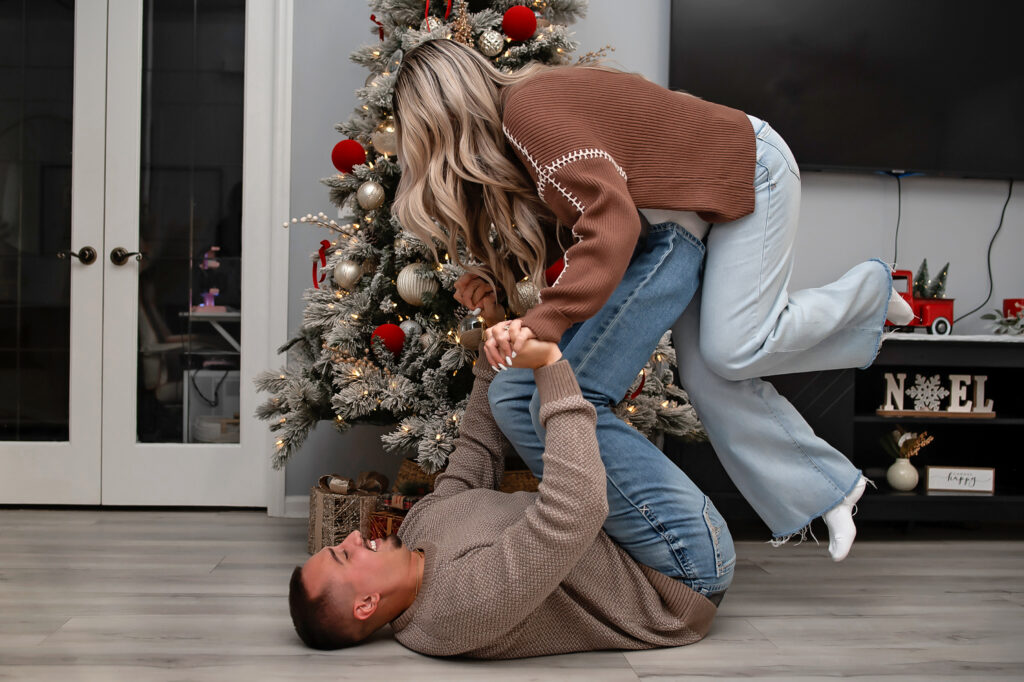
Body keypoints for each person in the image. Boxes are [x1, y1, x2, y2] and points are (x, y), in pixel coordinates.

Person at [393, 39, 914, 561]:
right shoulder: (522, 136)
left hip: (746, 168)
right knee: (711, 375)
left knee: (734, 350)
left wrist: (545, 324)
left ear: (444, 121)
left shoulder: (530, 112)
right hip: (684, 216)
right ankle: (831, 489)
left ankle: (869, 292)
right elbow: (577, 224)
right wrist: (492, 277)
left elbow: (609, 220)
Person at [289, 332, 730, 655]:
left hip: (624, 537)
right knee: (558, 390)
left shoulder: (419, 535)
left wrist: (491, 347)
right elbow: (576, 510)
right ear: (366, 604)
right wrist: (552, 366)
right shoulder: (457, 610)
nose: (350, 539)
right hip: (678, 572)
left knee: (508, 390)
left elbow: (475, 454)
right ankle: (673, 250)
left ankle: (642, 259)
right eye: (344, 555)